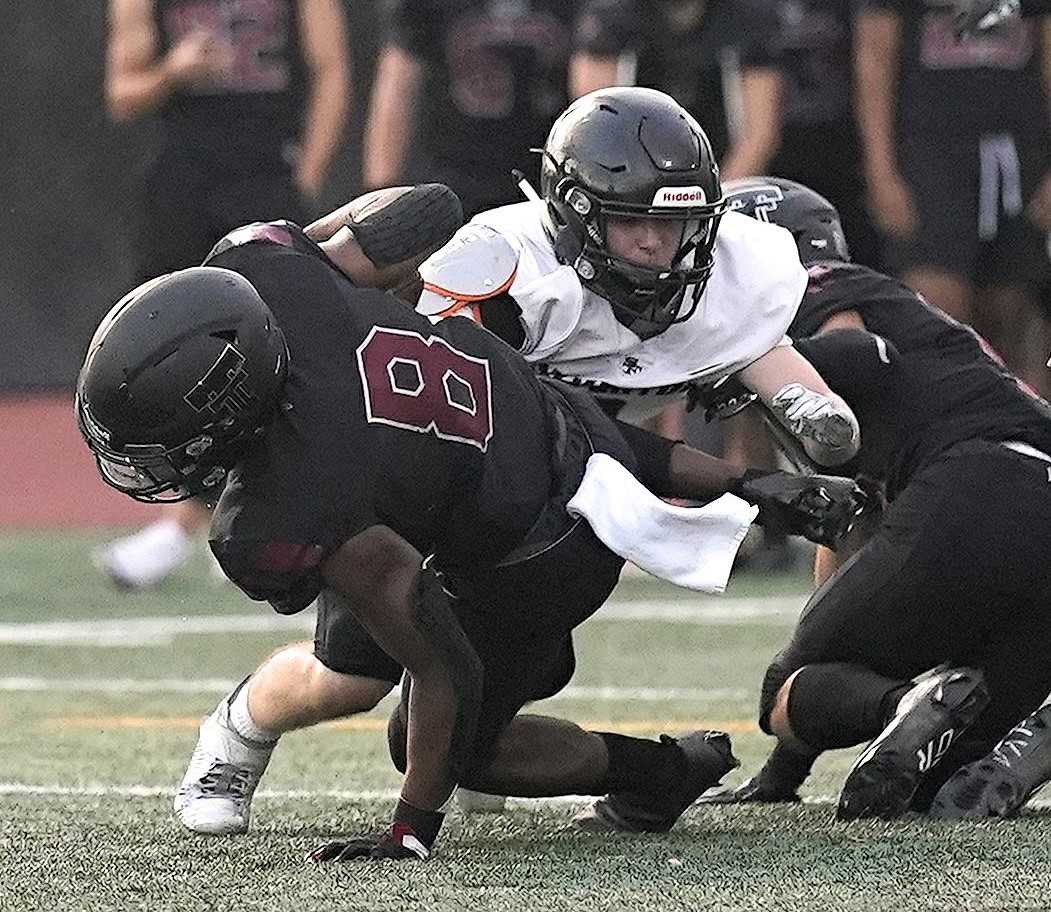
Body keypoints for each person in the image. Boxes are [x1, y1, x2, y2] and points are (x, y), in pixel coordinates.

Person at [75, 184, 863, 858]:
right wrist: (753, 483)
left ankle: (659, 772)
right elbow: (431, 213)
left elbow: (442, 661)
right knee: (359, 678)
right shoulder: (265, 269)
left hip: (537, 550)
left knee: (447, 743)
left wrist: (411, 830)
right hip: (533, 434)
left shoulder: (287, 502)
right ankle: (236, 740)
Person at [688, 177, 1051, 821]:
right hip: (1027, 496)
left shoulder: (809, 290)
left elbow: (859, 349)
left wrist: (746, 363)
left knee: (787, 690)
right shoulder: (909, 320)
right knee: (946, 781)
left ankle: (900, 706)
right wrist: (786, 765)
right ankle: (1021, 739)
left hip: (978, 485)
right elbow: (849, 528)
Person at [96, 0, 351, 589]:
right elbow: (123, 93)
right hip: (185, 186)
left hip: (266, 179)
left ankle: (250, 521)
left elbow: (332, 69)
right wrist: (174, 72)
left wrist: (303, 181)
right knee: (173, 358)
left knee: (294, 350)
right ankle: (189, 520)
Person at [854, 0, 1051, 390]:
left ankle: (1019, 441)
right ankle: (944, 439)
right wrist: (881, 171)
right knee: (936, 317)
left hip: (1017, 153)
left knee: (1010, 315)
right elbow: (873, 61)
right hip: (928, 158)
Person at [363, 0, 583, 218]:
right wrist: (380, 195)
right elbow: (397, 88)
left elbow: (590, 94)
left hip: (544, 180)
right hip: (453, 181)